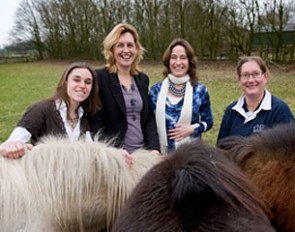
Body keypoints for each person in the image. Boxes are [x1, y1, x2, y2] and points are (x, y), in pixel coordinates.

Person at [0, 62, 100, 159]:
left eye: (87, 82)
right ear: (65, 83)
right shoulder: (41, 109)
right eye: (76, 80)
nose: (82, 85)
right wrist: (12, 146)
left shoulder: (85, 116)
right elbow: (10, 144)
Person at [88, 23, 160, 154]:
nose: (126, 50)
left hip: (143, 154)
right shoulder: (100, 78)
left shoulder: (142, 79)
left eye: (130, 45)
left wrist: (154, 147)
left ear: (136, 49)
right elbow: (95, 123)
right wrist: (114, 152)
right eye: (120, 45)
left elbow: (148, 117)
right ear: (112, 50)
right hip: (115, 157)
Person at [149, 38, 213, 154]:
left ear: (189, 61)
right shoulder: (155, 91)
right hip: (160, 157)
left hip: (191, 156)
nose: (178, 62)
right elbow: (149, 123)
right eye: (174, 57)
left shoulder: (200, 91)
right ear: (168, 61)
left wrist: (192, 129)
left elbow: (208, 122)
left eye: (183, 57)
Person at [217, 56, 294, 143]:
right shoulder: (231, 111)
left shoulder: (280, 111)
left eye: (256, 74)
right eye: (245, 75)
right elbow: (220, 149)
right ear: (239, 79)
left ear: (265, 77)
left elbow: (289, 151)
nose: (250, 80)